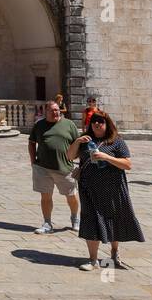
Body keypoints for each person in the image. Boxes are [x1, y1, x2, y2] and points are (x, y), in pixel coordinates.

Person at [68, 111, 144, 271]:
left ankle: (114, 252)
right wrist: (77, 141)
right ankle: (93, 260)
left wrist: (106, 157)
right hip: (88, 188)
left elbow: (127, 164)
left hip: (112, 188)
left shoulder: (116, 141)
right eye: (94, 121)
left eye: (100, 121)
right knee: (90, 219)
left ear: (107, 124)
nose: (97, 124)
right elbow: (70, 156)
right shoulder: (85, 140)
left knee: (113, 218)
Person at [28, 99, 80, 234]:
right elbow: (31, 142)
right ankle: (47, 223)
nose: (55, 112)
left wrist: (76, 157)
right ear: (46, 112)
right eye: (52, 110)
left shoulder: (69, 124)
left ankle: (75, 219)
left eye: (57, 110)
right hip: (42, 168)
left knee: (71, 196)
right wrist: (33, 161)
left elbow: (77, 143)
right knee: (45, 196)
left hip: (65, 168)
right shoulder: (39, 125)